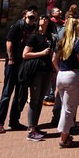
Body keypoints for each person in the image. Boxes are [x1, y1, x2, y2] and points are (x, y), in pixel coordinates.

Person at [53, 18, 79, 147]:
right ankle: (63, 138)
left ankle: (66, 133)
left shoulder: (61, 41)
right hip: (73, 76)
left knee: (65, 106)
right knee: (69, 109)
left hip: (61, 75)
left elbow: (54, 60)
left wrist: (59, 71)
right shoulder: (77, 43)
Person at [20, 14, 54, 142]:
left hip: (47, 70)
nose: (44, 20)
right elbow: (25, 54)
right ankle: (30, 129)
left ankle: (35, 126)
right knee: (34, 100)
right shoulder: (34, 37)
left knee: (40, 99)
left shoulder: (49, 37)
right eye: (42, 18)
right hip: (36, 71)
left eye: (46, 18)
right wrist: (41, 53)